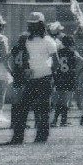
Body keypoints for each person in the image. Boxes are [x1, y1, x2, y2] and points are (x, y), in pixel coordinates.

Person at [9, 12, 57, 144]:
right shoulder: (41, 40)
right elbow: (26, 57)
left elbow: (56, 62)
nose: (31, 27)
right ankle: (31, 137)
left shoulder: (45, 40)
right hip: (37, 77)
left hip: (41, 78)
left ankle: (27, 137)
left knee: (33, 109)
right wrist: (27, 68)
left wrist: (49, 75)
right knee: (36, 109)